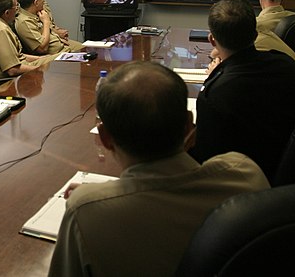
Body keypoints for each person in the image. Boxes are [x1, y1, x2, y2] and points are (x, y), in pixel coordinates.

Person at [49, 61, 270, 277]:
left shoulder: (86, 211)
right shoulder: (245, 174)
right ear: (189, 126)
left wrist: (101, 196)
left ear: (105, 138)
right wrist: (108, 193)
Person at [190, 0, 295, 179]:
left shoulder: (215, 94)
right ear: (254, 35)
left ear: (212, 40)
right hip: (286, 167)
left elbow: (206, 161)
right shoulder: (287, 65)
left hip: (240, 184)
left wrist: (216, 75)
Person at [15, 0, 83, 55]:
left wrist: (58, 38)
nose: (43, 1)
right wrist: (46, 22)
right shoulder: (24, 21)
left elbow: (46, 34)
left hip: (61, 46)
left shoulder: (35, 14)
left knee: (88, 49)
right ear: (36, 2)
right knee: (88, 56)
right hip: (56, 54)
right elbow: (42, 48)